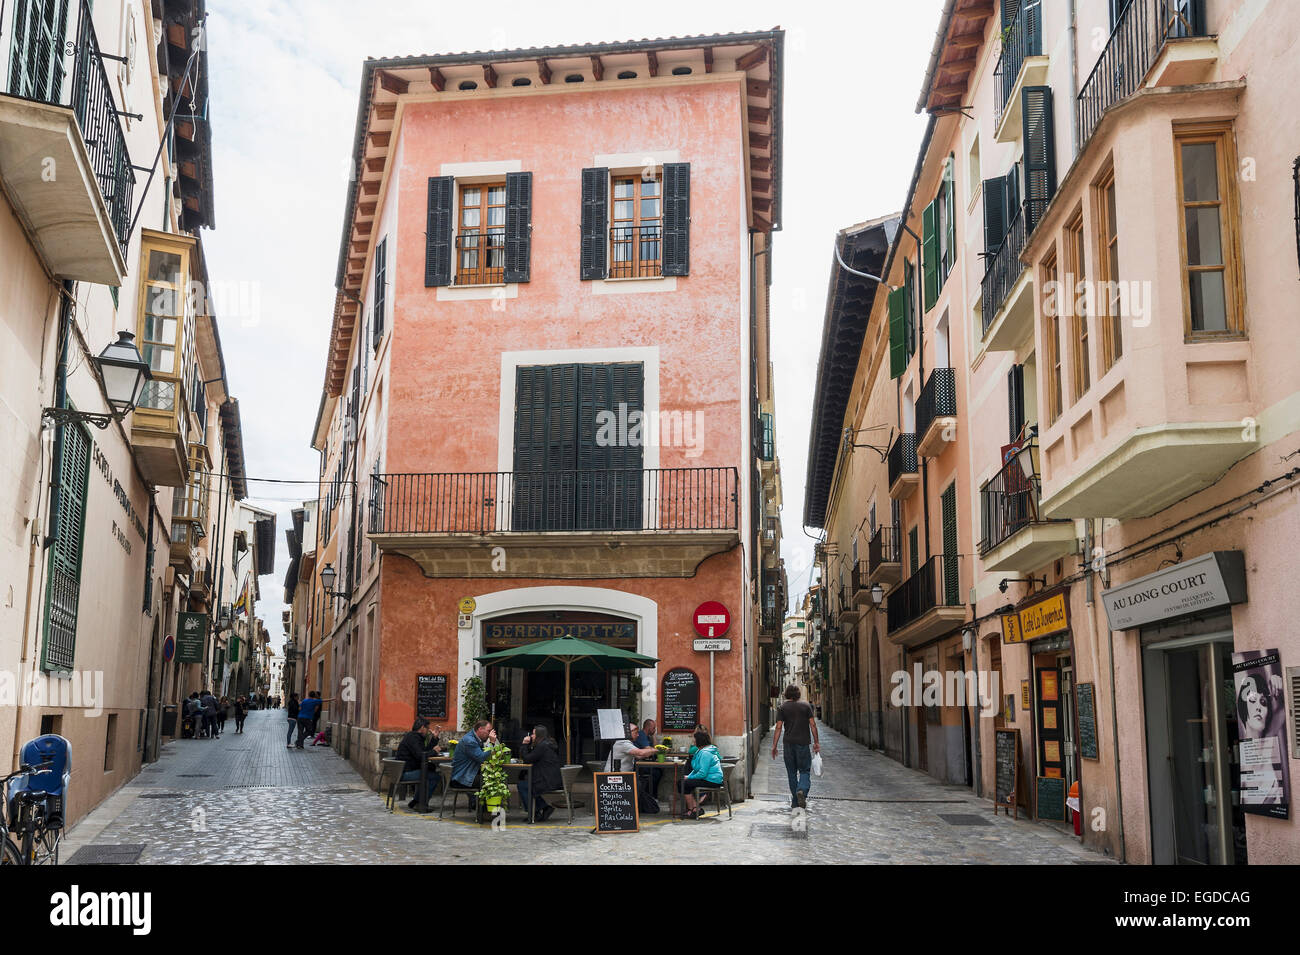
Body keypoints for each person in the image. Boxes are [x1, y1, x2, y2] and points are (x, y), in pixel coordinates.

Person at [771, 684, 819, 809]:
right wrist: (816, 742)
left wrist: (774, 746)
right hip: (803, 744)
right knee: (804, 770)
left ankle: (795, 801)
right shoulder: (806, 706)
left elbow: (779, 727)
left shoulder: (782, 708)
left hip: (788, 744)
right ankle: (802, 790)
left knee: (791, 773)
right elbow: (813, 725)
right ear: (798, 694)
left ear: (786, 694)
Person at [450, 719, 498, 818]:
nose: (489, 734)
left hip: (468, 774)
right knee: (489, 781)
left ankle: (485, 809)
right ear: (480, 729)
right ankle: (483, 812)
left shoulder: (475, 739)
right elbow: (481, 758)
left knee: (492, 778)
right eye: (488, 731)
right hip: (461, 778)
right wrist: (492, 743)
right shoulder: (470, 741)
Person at [396, 718, 444, 810]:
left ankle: (417, 801)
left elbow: (424, 752)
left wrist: (434, 738)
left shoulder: (414, 736)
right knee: (434, 777)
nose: (428, 731)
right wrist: (434, 751)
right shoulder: (413, 738)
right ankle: (421, 804)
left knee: (430, 769)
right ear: (422, 728)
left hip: (407, 770)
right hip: (404, 773)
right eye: (427, 728)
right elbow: (421, 756)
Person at [518, 725, 563, 822]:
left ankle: (534, 813)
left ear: (539, 735)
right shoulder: (547, 744)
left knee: (523, 785)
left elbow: (527, 759)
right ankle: (544, 808)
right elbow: (532, 757)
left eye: (533, 734)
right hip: (552, 779)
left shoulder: (543, 746)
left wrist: (524, 744)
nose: (532, 736)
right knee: (525, 783)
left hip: (547, 781)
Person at [680, 730, 724, 819]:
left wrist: (689, 777)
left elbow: (702, 773)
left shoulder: (705, 753)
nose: (693, 742)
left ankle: (693, 809)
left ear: (699, 741)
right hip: (708, 778)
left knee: (684, 784)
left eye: (694, 740)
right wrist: (688, 776)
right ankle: (695, 809)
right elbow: (697, 770)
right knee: (682, 782)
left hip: (712, 780)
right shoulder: (701, 751)